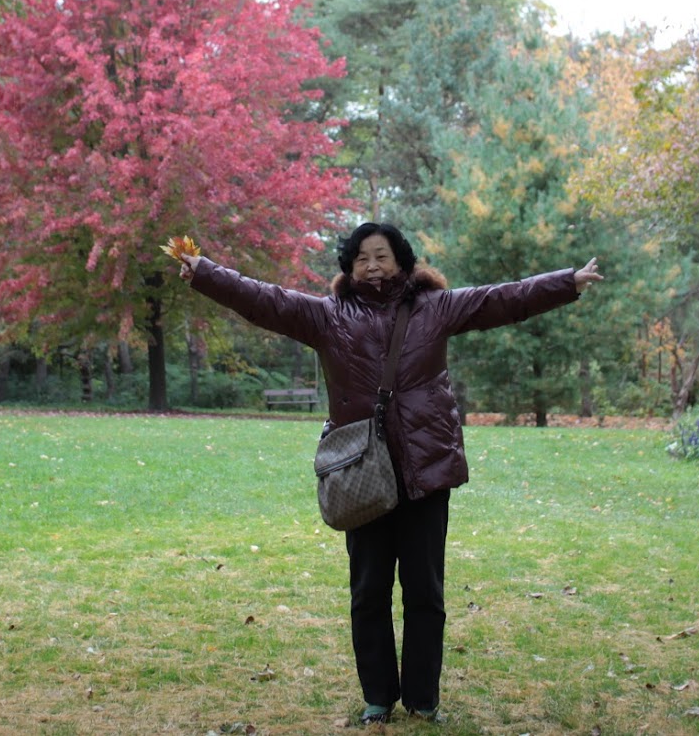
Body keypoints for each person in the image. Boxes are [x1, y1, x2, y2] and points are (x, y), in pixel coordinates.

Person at [176, 221, 601, 725]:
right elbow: (264, 300)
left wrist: (566, 282)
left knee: (425, 593)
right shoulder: (327, 316)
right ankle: (378, 696)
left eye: (381, 256)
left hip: (426, 470)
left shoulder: (435, 308)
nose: (372, 266)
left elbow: (501, 299)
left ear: (401, 260)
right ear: (349, 267)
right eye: (361, 258)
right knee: (368, 593)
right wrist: (205, 273)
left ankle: (422, 699)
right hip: (361, 472)